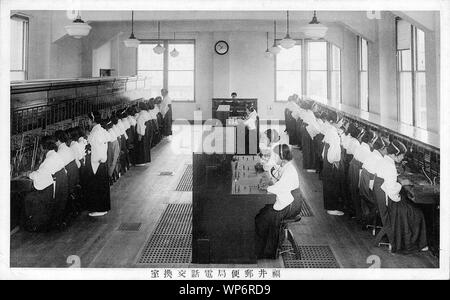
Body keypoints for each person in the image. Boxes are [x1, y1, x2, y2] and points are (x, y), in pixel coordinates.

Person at [373, 140, 428, 253]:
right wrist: (401, 184)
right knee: (417, 213)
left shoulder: (384, 161)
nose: (403, 157)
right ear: (394, 155)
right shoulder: (390, 167)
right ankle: (417, 244)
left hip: (383, 200)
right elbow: (393, 193)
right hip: (390, 202)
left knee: (410, 207)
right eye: (402, 155)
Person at [255, 144, 301, 259]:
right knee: (263, 211)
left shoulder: (289, 170)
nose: (274, 158)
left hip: (290, 205)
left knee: (263, 217)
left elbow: (280, 187)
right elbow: (276, 171)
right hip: (289, 200)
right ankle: (262, 246)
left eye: (275, 156)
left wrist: (265, 187)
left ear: (281, 156)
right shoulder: (286, 165)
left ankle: (266, 251)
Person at [27, 135, 66, 230]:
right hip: (59, 185)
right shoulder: (55, 155)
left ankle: (35, 224)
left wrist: (29, 174)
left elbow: (39, 176)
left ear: (43, 147)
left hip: (52, 188)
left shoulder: (49, 160)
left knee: (28, 198)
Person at [85, 111, 110, 217]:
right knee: (102, 186)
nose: (87, 122)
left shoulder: (95, 133)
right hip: (102, 162)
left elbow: (95, 146)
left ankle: (98, 209)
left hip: (96, 163)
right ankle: (103, 208)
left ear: (92, 120)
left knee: (96, 186)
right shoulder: (101, 130)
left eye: (88, 120)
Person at [321, 111, 345, 216]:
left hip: (327, 161)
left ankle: (330, 206)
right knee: (332, 184)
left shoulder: (331, 130)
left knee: (328, 183)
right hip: (332, 162)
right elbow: (333, 151)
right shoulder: (334, 134)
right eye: (341, 120)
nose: (342, 122)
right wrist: (335, 161)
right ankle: (332, 207)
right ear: (334, 122)